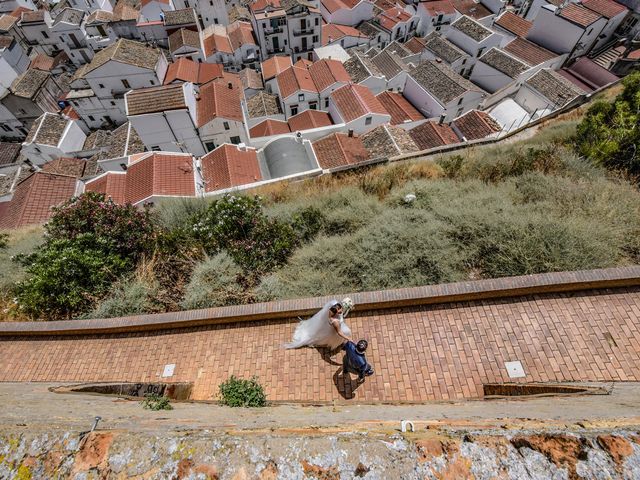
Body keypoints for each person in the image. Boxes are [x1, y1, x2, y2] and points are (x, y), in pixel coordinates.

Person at [285, 300, 352, 350]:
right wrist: (348, 338)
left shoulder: (331, 309)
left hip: (327, 326)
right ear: (336, 312)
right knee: (346, 332)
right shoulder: (335, 322)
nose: (342, 310)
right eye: (340, 309)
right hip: (334, 330)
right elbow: (339, 332)